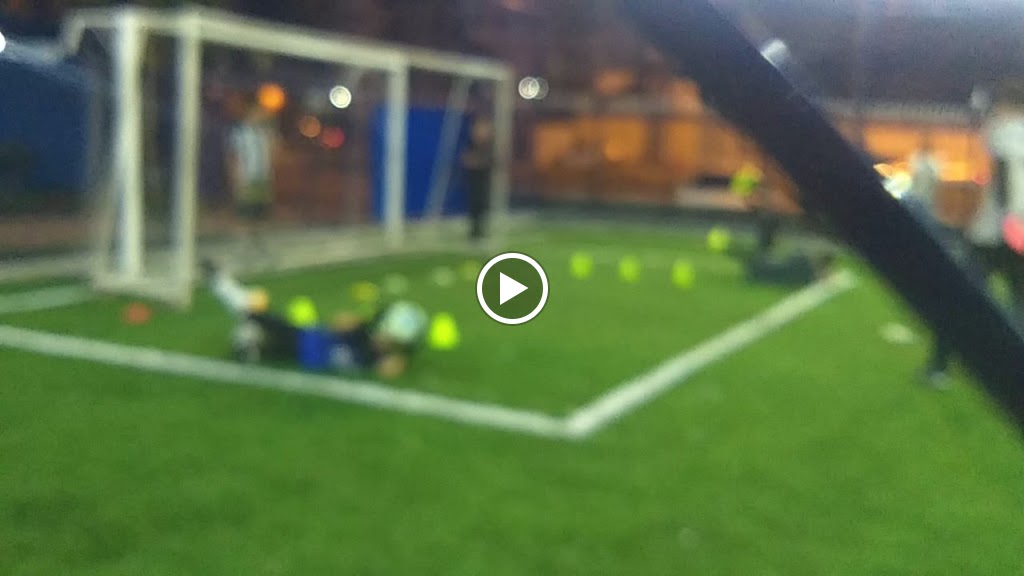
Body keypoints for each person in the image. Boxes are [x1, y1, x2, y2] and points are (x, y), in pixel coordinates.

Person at [928, 79, 1024, 385]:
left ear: (1006, 103)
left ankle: (939, 367)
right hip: (1016, 234)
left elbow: (1006, 176)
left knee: (961, 298)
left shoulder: (1005, 131)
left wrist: (1008, 220)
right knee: (1018, 306)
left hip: (997, 234)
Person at [203, 261, 428, 379]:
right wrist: (353, 324)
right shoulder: (362, 332)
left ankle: (246, 339)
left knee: (261, 348)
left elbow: (385, 369)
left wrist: (396, 362)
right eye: (388, 337)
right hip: (305, 340)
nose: (385, 342)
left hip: (306, 356)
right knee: (258, 315)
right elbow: (338, 323)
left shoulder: (381, 358)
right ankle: (220, 283)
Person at [226, 91, 277, 265]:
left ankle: (259, 248)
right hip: (246, 178)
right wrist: (236, 180)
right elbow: (234, 158)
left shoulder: (263, 134)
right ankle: (241, 250)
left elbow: (271, 155)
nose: (261, 116)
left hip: (261, 179)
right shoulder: (240, 133)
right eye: (258, 113)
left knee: (260, 214)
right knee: (244, 214)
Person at [462, 117, 493, 243]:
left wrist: (478, 162)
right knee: (475, 205)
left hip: (484, 180)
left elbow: (490, 162)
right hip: (474, 180)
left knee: (482, 205)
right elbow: (466, 160)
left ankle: (480, 230)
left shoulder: (489, 147)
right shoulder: (471, 145)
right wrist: (472, 162)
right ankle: (474, 232)